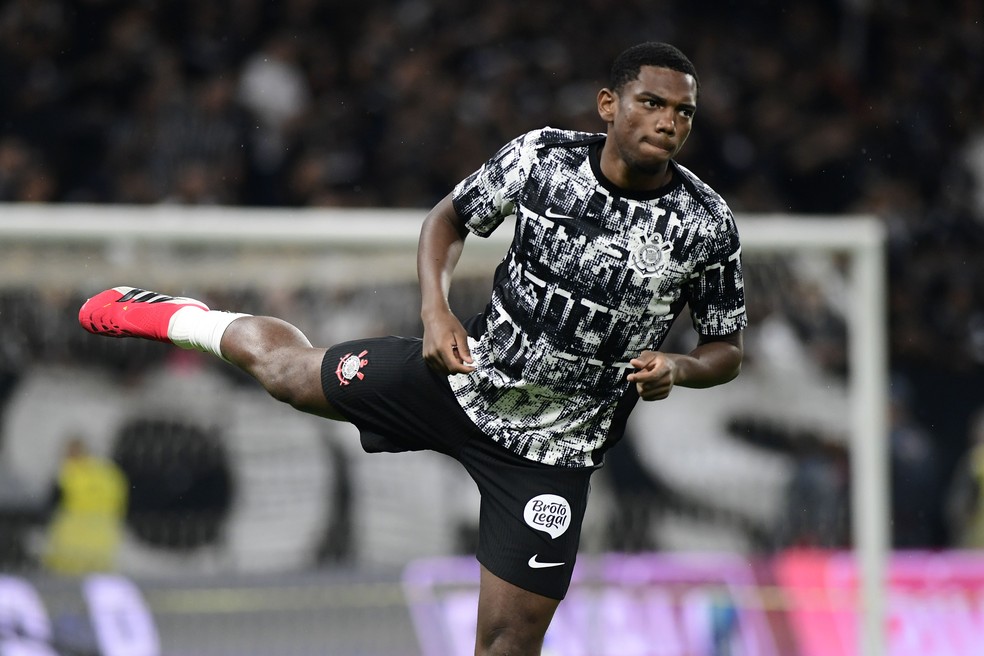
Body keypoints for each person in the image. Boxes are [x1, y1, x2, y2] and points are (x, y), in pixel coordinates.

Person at [79, 41, 746, 655]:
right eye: (652, 103)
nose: (668, 122)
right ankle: (176, 317)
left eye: (683, 112)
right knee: (287, 375)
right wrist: (435, 311)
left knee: (507, 648)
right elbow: (447, 219)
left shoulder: (706, 224)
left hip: (553, 457)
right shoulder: (544, 159)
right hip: (460, 376)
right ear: (610, 104)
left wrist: (681, 368)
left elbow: (726, 349)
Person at [43, 436, 128, 575]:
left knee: (65, 588)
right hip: (103, 542)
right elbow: (121, 504)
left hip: (69, 544)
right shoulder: (110, 473)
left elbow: (51, 506)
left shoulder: (66, 474)